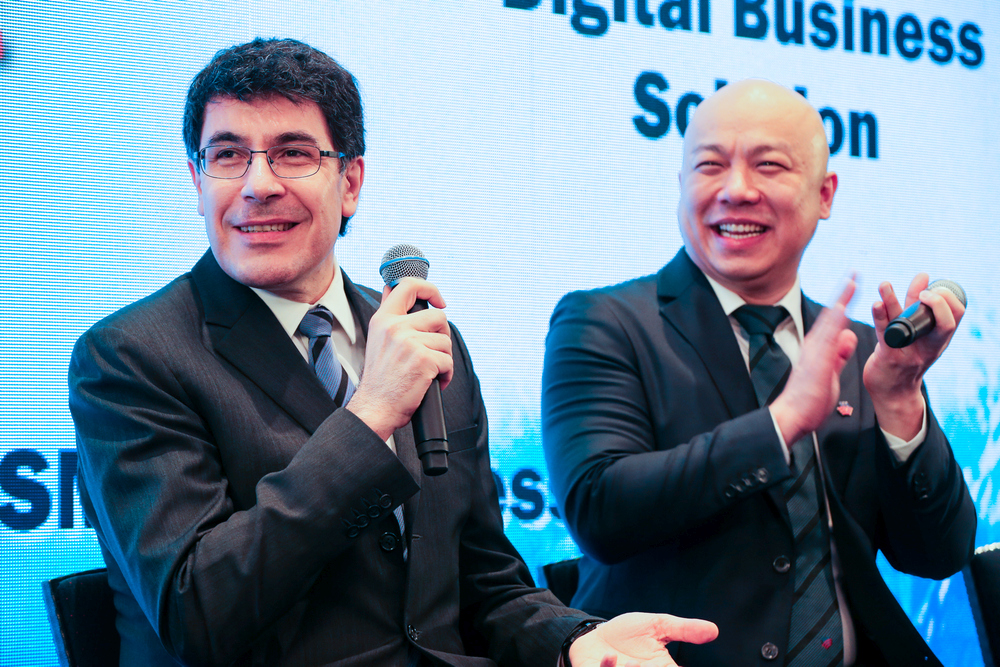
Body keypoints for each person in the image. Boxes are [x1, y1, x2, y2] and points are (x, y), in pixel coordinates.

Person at [68, 38, 718, 667]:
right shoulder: (130, 355)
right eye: (228, 155)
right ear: (196, 179)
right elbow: (198, 613)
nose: (257, 184)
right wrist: (369, 414)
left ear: (350, 181)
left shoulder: (420, 336)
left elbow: (485, 583)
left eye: (293, 153)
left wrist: (574, 641)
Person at [542, 79, 976, 667]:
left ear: (824, 194)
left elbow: (939, 554)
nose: (736, 190)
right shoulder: (605, 322)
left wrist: (900, 400)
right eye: (710, 166)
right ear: (681, 184)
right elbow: (600, 509)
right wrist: (781, 422)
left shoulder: (862, 350)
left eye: (768, 165)